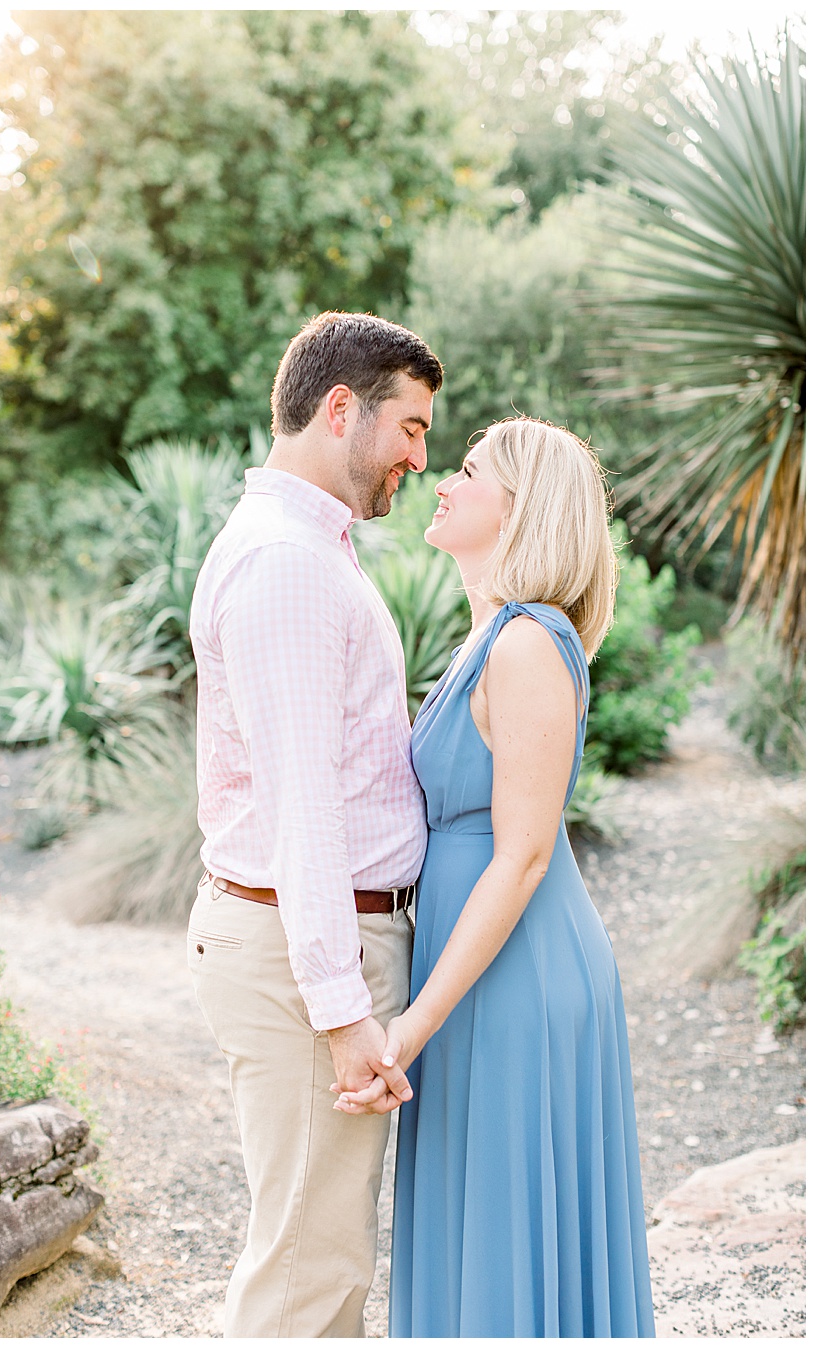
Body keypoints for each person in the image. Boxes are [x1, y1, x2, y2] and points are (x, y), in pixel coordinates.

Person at [340, 419, 653, 1335]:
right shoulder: (488, 638)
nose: (441, 480)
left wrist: (409, 1028)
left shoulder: (525, 645)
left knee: (510, 1235)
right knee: (480, 1230)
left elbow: (521, 856)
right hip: (472, 967)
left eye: (469, 471)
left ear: (522, 509)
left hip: (515, 975)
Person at [185, 310, 441, 1336]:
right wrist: (342, 1012)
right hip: (307, 959)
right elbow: (301, 807)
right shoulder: (287, 563)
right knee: (306, 1271)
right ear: (343, 411)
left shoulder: (305, 548)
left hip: (310, 942)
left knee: (320, 1254)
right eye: (412, 428)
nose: (419, 458)